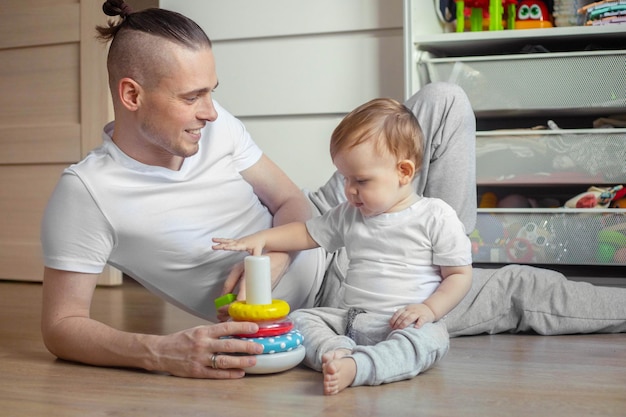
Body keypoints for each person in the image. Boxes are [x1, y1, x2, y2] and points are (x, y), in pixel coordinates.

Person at [40, 1, 626, 381]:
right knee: (523, 289)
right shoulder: (89, 194)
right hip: (325, 304)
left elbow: (293, 202)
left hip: (322, 223)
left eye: (212, 91)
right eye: (192, 98)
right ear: (132, 95)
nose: (211, 112)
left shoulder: (217, 127)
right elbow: (61, 325)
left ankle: (440, 253)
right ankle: (443, 270)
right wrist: (158, 352)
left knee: (443, 101)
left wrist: (274, 248)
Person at [212, 98, 473, 394]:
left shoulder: (436, 216)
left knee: (429, 340)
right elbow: (305, 234)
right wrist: (261, 238)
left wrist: (428, 309)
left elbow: (459, 275)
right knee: (300, 318)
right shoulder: (350, 214)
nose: (349, 190)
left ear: (404, 171)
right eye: (346, 178)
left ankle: (360, 367)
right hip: (351, 319)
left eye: (360, 180)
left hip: (405, 322)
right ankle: (338, 350)